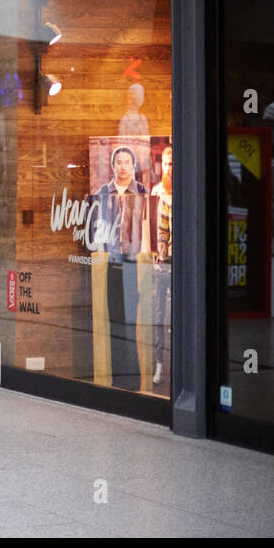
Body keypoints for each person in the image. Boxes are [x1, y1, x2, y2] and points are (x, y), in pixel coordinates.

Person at [93, 145, 148, 392]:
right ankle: (117, 378)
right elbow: (95, 227)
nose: (123, 166)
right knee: (114, 321)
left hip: (136, 264)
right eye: (119, 162)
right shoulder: (103, 192)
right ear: (113, 166)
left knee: (133, 322)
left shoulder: (144, 192)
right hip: (112, 264)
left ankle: (134, 380)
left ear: (133, 166)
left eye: (127, 162)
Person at [151, 146, 173, 388]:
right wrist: (161, 253)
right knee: (158, 315)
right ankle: (159, 363)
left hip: (183, 264)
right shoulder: (161, 194)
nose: (169, 168)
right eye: (166, 164)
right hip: (165, 263)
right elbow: (162, 232)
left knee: (179, 314)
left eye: (173, 164)